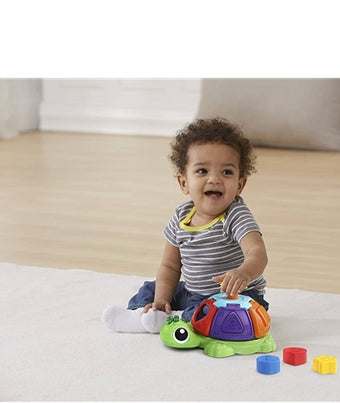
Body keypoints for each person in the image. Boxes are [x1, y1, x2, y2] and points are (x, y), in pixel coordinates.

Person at [102, 117, 269, 333]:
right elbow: (170, 266)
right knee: (151, 289)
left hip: (237, 297)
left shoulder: (235, 215)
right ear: (184, 183)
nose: (214, 179)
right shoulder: (181, 215)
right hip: (194, 292)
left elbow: (257, 253)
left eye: (226, 172)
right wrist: (162, 299)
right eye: (202, 171)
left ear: (240, 184)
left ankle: (176, 320)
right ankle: (147, 313)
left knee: (210, 314)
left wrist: (244, 273)